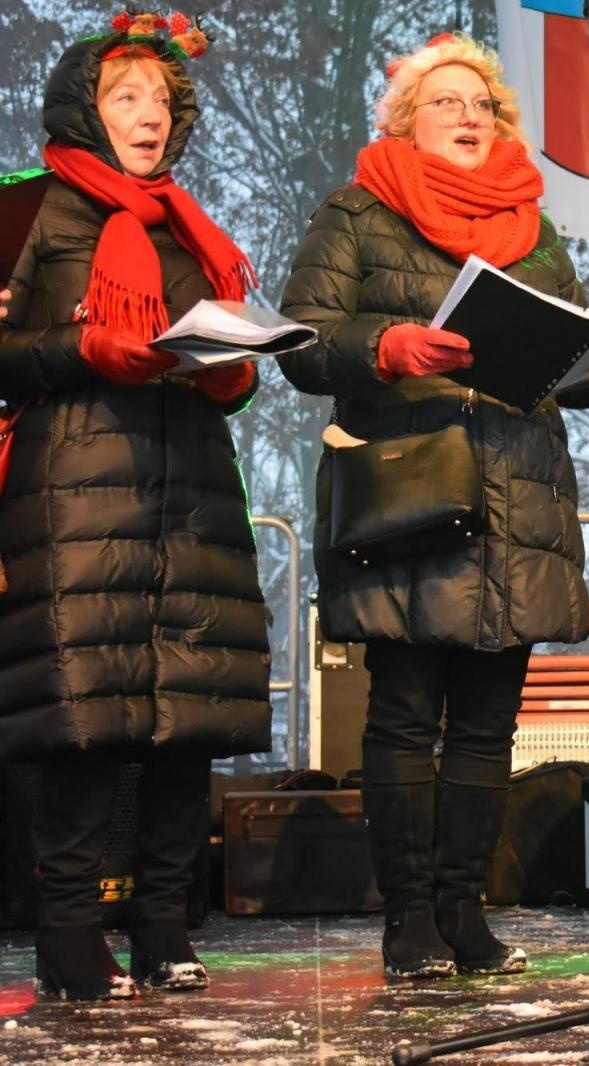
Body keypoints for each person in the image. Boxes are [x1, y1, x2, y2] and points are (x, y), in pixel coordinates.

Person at [278, 33, 589, 979]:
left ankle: (467, 910)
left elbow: (564, 355)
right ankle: (408, 916)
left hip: (519, 498)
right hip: (413, 493)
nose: (468, 117)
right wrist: (388, 347)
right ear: (403, 120)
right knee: (407, 714)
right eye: (445, 103)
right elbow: (304, 342)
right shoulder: (358, 211)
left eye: (483, 104)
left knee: (491, 724)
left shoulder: (535, 230)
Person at [0, 13, 271, 1000]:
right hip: (72, 492)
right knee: (87, 722)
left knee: (183, 720)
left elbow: (222, 346)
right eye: (126, 98)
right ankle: (70, 934)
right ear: (83, 104)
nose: (149, 116)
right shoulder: (30, 214)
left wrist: (234, 373)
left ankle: (165, 928)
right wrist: (83, 350)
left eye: (162, 100)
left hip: (191, 490)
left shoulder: (188, 224)